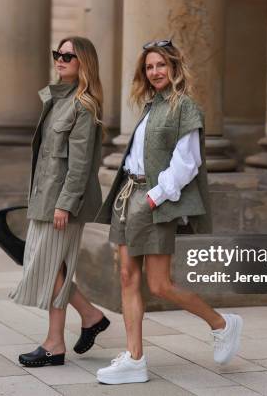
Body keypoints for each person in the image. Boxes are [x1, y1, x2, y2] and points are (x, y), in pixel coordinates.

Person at [94, 39, 243, 384]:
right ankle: (134, 359)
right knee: (127, 278)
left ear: (175, 67)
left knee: (159, 285)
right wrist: (135, 199)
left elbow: (188, 162)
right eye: (149, 67)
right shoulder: (151, 106)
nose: (155, 72)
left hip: (153, 200)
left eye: (161, 65)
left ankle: (221, 324)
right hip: (128, 195)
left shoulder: (184, 107)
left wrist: (155, 198)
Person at [9, 36, 110, 367]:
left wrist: (65, 203)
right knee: (54, 268)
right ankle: (87, 318)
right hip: (44, 196)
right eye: (58, 54)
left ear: (84, 63)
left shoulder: (83, 105)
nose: (61, 59)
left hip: (60, 202)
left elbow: (80, 165)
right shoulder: (56, 99)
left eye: (69, 55)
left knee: (49, 267)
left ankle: (57, 342)